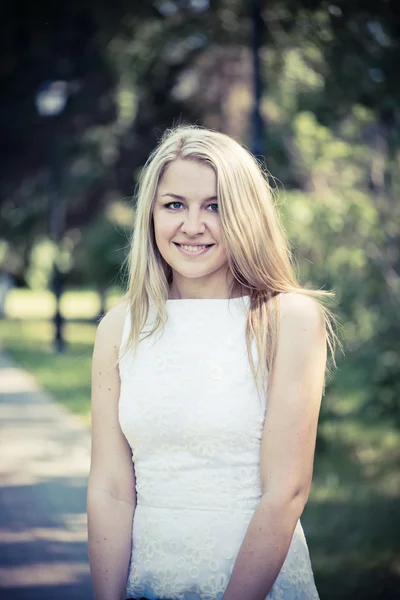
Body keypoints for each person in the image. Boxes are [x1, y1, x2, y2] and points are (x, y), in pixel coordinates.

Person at [87, 125, 336, 600]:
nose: (192, 225)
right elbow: (111, 490)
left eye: (215, 206)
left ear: (245, 214)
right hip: (146, 585)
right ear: (151, 215)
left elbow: (285, 492)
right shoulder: (118, 329)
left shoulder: (289, 319)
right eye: (174, 204)